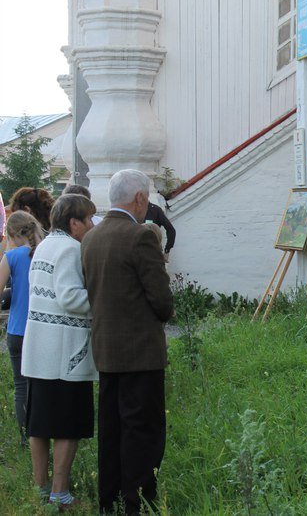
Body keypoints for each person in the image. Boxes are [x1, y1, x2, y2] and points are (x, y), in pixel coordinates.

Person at [81, 169, 173, 515]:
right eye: (146, 199)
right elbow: (161, 301)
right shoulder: (140, 237)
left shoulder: (91, 238)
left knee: (111, 428)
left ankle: (110, 500)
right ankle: (137, 502)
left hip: (106, 350)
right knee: (142, 430)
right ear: (139, 198)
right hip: (141, 354)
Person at [21, 195, 98, 509]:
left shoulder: (44, 246)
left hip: (41, 350)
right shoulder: (70, 249)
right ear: (74, 222)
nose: (91, 225)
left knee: (39, 425)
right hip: (64, 353)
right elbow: (69, 298)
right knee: (68, 425)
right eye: (88, 219)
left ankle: (41, 490)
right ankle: (60, 494)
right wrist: (102, 298)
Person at [0, 212, 44, 446]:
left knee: (20, 386)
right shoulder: (45, 251)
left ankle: (26, 439)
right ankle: (44, 435)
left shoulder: (12, 256)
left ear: (13, 234)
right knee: (42, 386)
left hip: (18, 329)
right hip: (43, 329)